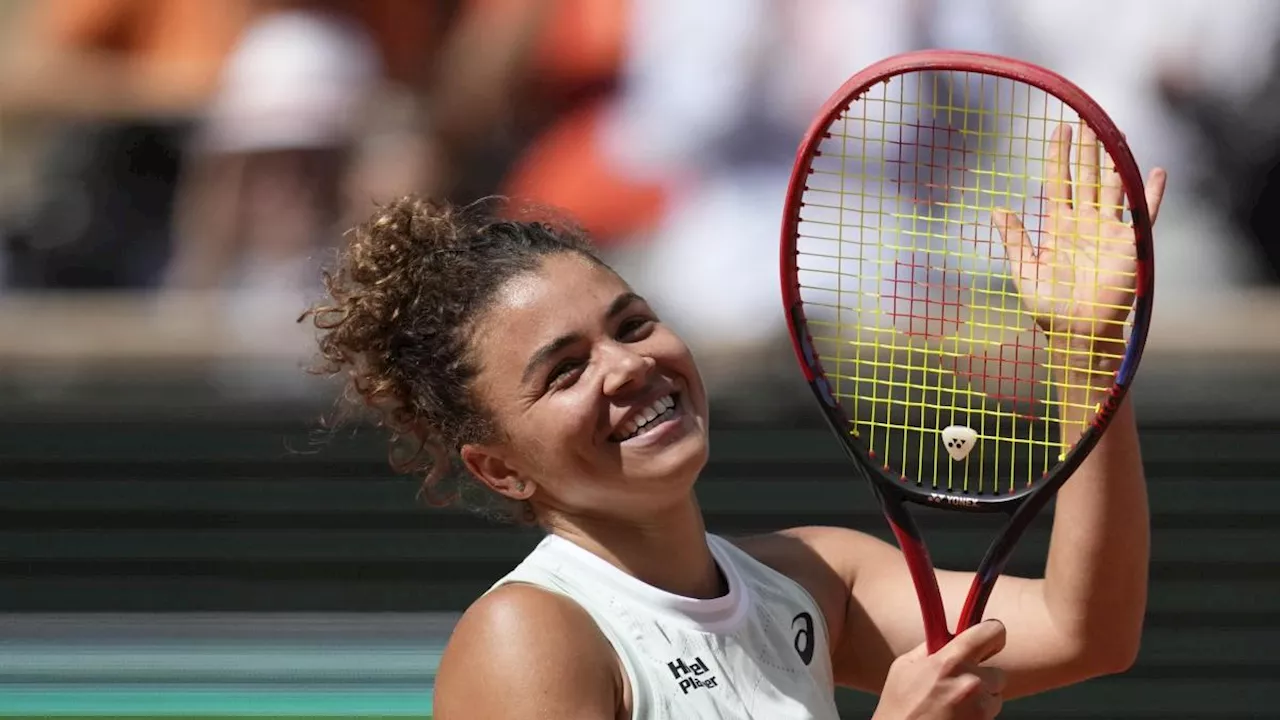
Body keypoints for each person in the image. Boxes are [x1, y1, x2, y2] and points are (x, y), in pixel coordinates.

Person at [301, 124, 1167, 718]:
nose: (629, 365)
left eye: (633, 323)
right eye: (564, 372)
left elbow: (1088, 630)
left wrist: (1086, 360)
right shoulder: (529, 636)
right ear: (498, 468)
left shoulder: (811, 578)